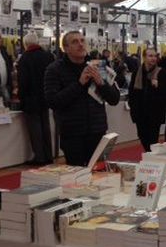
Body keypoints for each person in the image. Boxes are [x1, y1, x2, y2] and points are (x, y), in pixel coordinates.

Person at [44, 31, 120, 166]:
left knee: (99, 175)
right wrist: (79, 84)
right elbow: (53, 102)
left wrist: (101, 84)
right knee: (77, 179)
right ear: (66, 48)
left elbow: (114, 99)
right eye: (75, 42)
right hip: (72, 134)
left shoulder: (98, 66)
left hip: (98, 131)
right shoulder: (54, 69)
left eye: (82, 41)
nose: (80, 44)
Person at [17, 32, 55, 165]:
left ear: (26, 44)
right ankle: (49, 155)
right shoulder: (48, 56)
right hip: (46, 96)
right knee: (46, 126)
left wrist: (21, 98)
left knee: (35, 128)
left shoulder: (24, 59)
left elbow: (23, 81)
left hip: (31, 98)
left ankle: (39, 157)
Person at [128, 48, 166, 152]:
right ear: (144, 57)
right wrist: (132, 106)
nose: (153, 58)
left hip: (155, 113)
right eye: (150, 56)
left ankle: (151, 158)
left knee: (153, 139)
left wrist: (159, 85)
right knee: (142, 136)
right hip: (140, 113)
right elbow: (132, 92)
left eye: (155, 56)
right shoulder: (137, 72)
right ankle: (149, 154)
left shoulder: (162, 72)